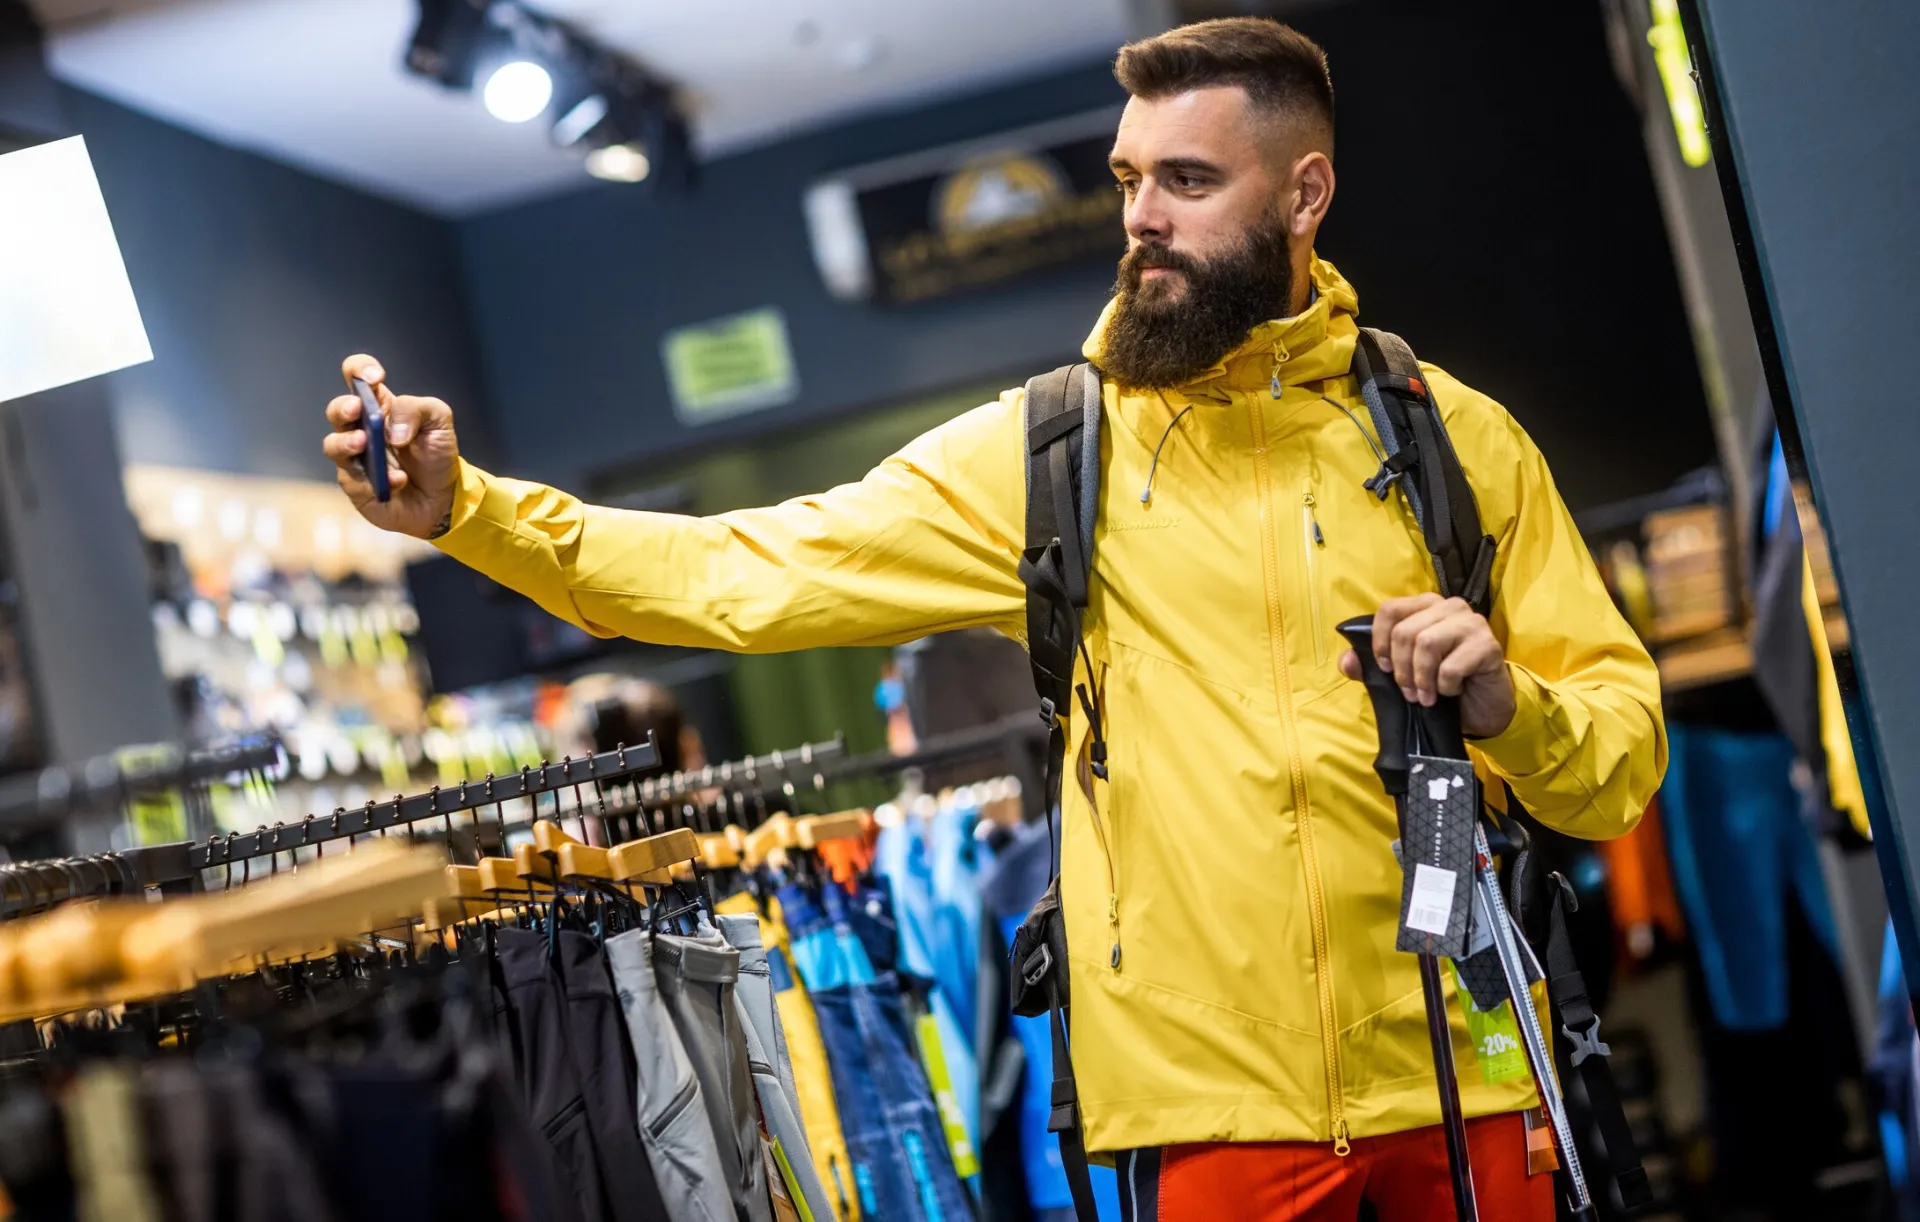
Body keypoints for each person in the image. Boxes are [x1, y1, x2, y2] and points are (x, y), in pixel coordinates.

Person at [322, 17, 1663, 1220]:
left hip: (1472, 1073)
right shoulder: (1049, 455)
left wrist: (1508, 703)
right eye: (1130, 178)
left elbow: (1616, 761)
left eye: (1189, 182)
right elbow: (744, 572)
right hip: (1212, 1109)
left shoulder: (1453, 440)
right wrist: (469, 511)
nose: (1143, 217)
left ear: (1304, 193)